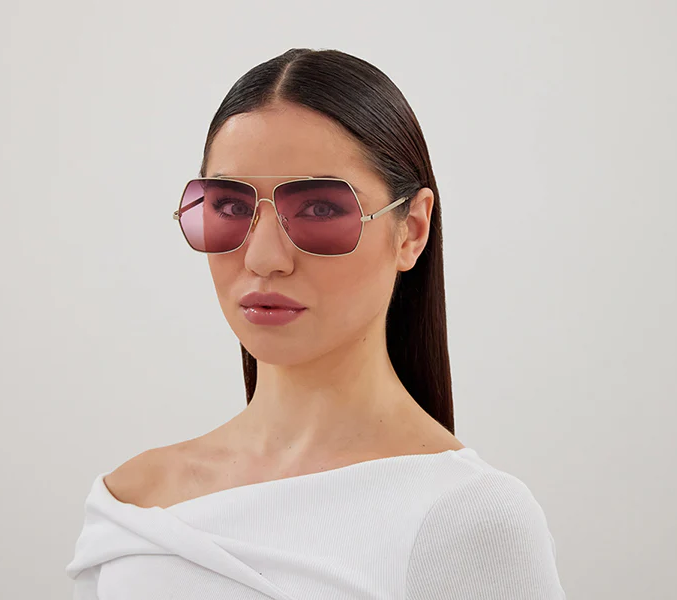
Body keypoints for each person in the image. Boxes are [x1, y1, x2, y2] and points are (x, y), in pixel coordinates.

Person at [66, 47, 567, 599]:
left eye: (321, 209)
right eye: (230, 207)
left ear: (412, 230)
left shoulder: (471, 521)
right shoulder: (133, 502)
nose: (264, 257)